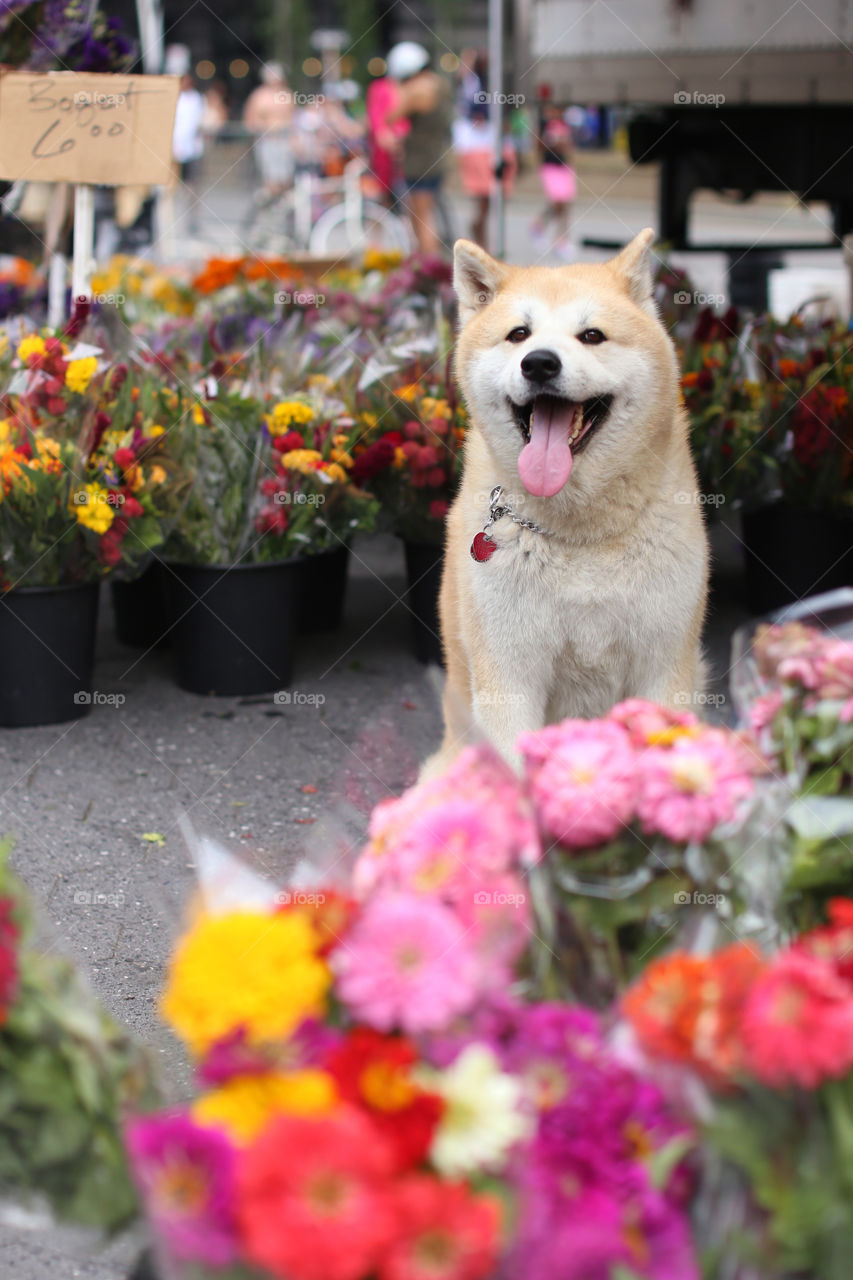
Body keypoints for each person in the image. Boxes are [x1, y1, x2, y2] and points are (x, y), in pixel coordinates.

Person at [386, 42, 452, 256]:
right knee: (428, 213)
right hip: (436, 157)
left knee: (422, 218)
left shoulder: (416, 90)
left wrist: (400, 89)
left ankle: (428, 268)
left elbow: (391, 115)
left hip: (420, 161)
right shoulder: (440, 84)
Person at [453, 102, 516, 250]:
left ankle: (482, 242)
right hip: (482, 179)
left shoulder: (491, 132)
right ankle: (482, 243)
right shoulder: (468, 131)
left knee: (486, 212)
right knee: (483, 210)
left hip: (489, 177)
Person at [530, 102, 576, 261]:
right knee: (557, 202)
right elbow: (538, 147)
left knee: (565, 204)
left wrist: (561, 144)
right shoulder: (543, 125)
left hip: (562, 165)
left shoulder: (564, 124)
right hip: (549, 166)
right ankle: (538, 225)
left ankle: (561, 239)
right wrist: (551, 143)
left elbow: (567, 146)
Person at [243, 62, 294, 196]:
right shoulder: (258, 96)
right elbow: (250, 121)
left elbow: (293, 118)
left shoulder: (287, 94)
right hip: (267, 141)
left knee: (286, 178)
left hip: (285, 142)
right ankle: (269, 205)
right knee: (270, 178)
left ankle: (281, 206)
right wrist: (267, 128)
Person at [366, 71, 408, 202]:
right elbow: (377, 124)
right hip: (387, 154)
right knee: (385, 193)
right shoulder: (380, 88)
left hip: (405, 154)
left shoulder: (408, 88)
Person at [172, 72, 205, 233]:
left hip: (192, 151)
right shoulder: (173, 98)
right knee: (172, 188)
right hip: (174, 150)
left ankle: (192, 220)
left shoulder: (196, 99)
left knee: (193, 187)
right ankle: (173, 221)